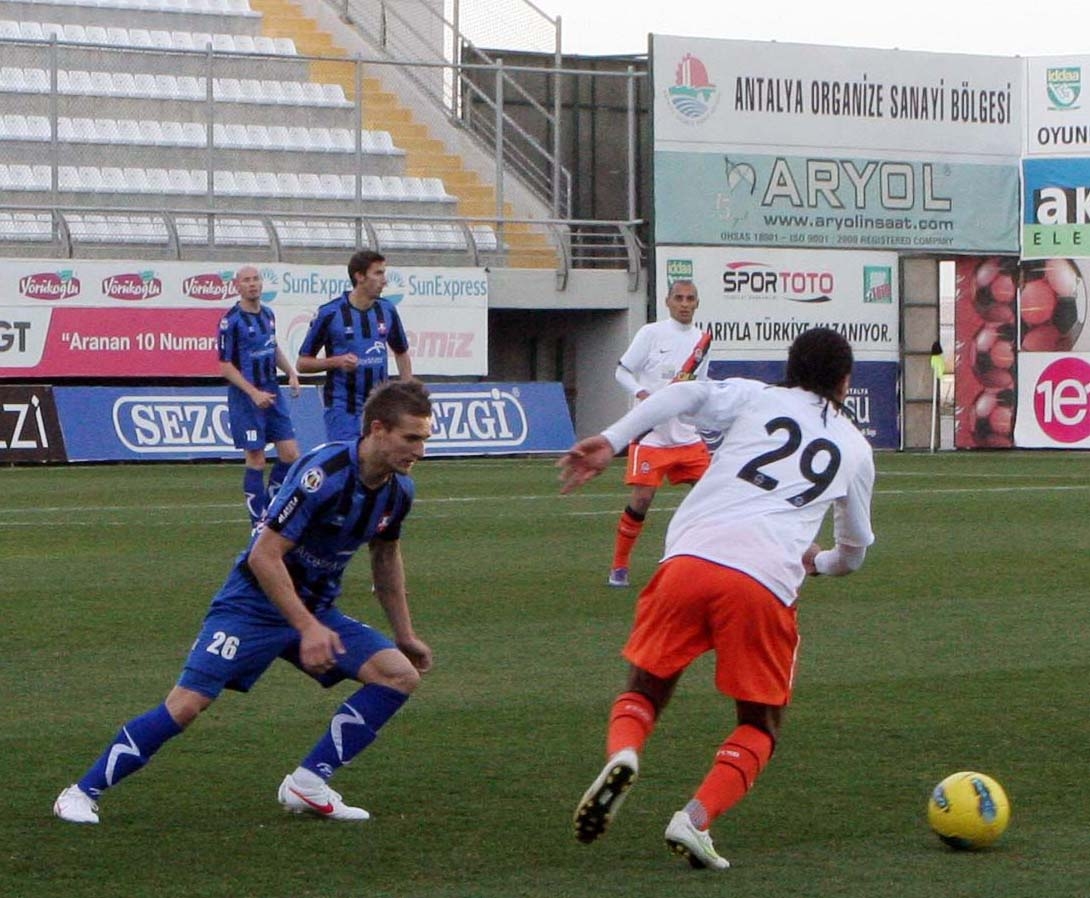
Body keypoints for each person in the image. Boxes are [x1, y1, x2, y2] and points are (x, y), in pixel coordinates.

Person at [560, 327, 875, 870]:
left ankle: (625, 754)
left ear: (791, 368)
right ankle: (695, 818)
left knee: (646, 686)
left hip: (687, 561)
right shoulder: (856, 448)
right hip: (762, 582)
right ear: (845, 383)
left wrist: (612, 441)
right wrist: (817, 562)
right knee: (759, 721)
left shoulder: (758, 397)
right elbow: (853, 553)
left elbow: (683, 393)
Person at [53, 380, 435, 825]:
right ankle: (80, 792)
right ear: (378, 429)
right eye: (412, 438)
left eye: (425, 439)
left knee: (397, 676)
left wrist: (404, 633)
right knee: (188, 704)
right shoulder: (322, 473)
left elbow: (386, 558)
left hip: (314, 610)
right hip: (252, 603)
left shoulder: (398, 491)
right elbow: (264, 556)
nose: (420, 451)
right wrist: (307, 627)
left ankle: (308, 783)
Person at [607, 278, 710, 588]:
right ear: (667, 302)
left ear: (696, 303)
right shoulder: (651, 333)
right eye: (678, 297)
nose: (684, 303)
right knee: (642, 498)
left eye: (690, 298)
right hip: (652, 435)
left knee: (716, 493)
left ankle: (704, 560)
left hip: (687, 437)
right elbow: (621, 370)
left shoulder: (702, 341)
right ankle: (619, 566)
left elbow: (700, 386)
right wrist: (642, 395)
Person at [298, 250, 413, 441]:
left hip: (379, 408)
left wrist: (409, 392)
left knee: (380, 467)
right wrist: (337, 361)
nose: (384, 280)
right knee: (350, 465)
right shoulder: (330, 313)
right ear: (359, 276)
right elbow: (303, 363)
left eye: (384, 273)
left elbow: (401, 352)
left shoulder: (387, 310)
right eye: (378, 273)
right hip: (343, 409)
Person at [218, 265, 302, 527]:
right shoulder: (230, 321)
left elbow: (272, 346)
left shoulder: (268, 314)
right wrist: (253, 393)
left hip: (272, 391)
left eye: (256, 279)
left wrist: (290, 372)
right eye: (246, 280)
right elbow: (224, 365)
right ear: (237, 286)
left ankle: (273, 507)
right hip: (247, 397)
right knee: (256, 457)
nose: (252, 284)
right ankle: (259, 522)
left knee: (290, 454)